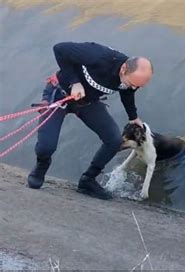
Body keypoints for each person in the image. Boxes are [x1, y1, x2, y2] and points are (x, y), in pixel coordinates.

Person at [27, 42, 153, 200]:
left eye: (137, 86)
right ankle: (41, 166)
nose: (133, 87)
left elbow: (127, 91)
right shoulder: (97, 55)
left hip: (87, 102)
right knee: (46, 146)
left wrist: (133, 117)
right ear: (123, 69)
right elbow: (59, 49)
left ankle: (88, 180)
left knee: (114, 140)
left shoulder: (130, 81)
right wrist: (75, 82)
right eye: (132, 83)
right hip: (60, 95)